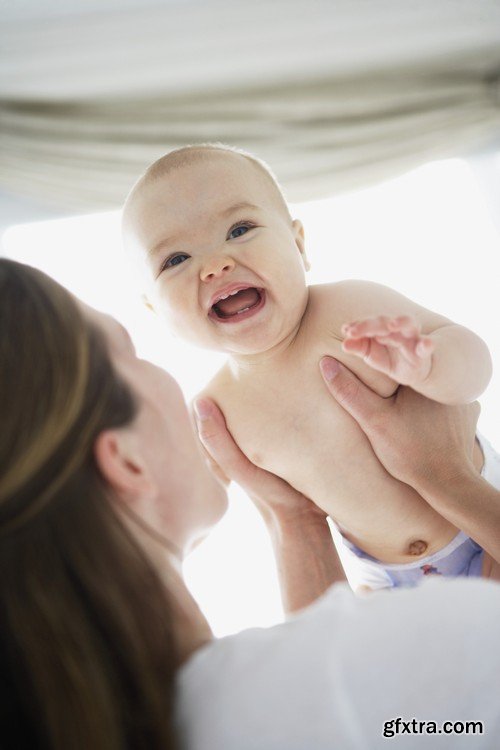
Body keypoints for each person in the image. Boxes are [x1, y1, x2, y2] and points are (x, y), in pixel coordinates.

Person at [1, 258, 500, 750]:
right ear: (126, 461)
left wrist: (295, 518)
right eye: (129, 351)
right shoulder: (379, 672)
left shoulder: (159, 723)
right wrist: (449, 480)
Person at [122, 142, 499, 590]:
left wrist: (430, 365)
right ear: (155, 311)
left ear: (299, 245)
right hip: (382, 578)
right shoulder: (214, 411)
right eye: (176, 259)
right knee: (372, 654)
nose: (215, 265)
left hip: (481, 522)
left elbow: (472, 360)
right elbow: (191, 505)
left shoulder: (351, 311)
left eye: (239, 229)